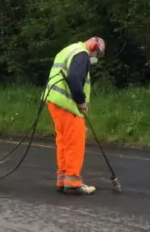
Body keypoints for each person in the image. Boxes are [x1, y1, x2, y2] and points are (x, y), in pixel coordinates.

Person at [42, 37, 106, 195]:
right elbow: (74, 78)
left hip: (55, 101)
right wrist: (81, 101)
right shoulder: (82, 54)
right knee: (75, 142)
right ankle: (73, 183)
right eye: (97, 54)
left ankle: (63, 180)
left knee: (63, 141)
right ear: (93, 46)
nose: (95, 58)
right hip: (67, 104)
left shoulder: (69, 49)